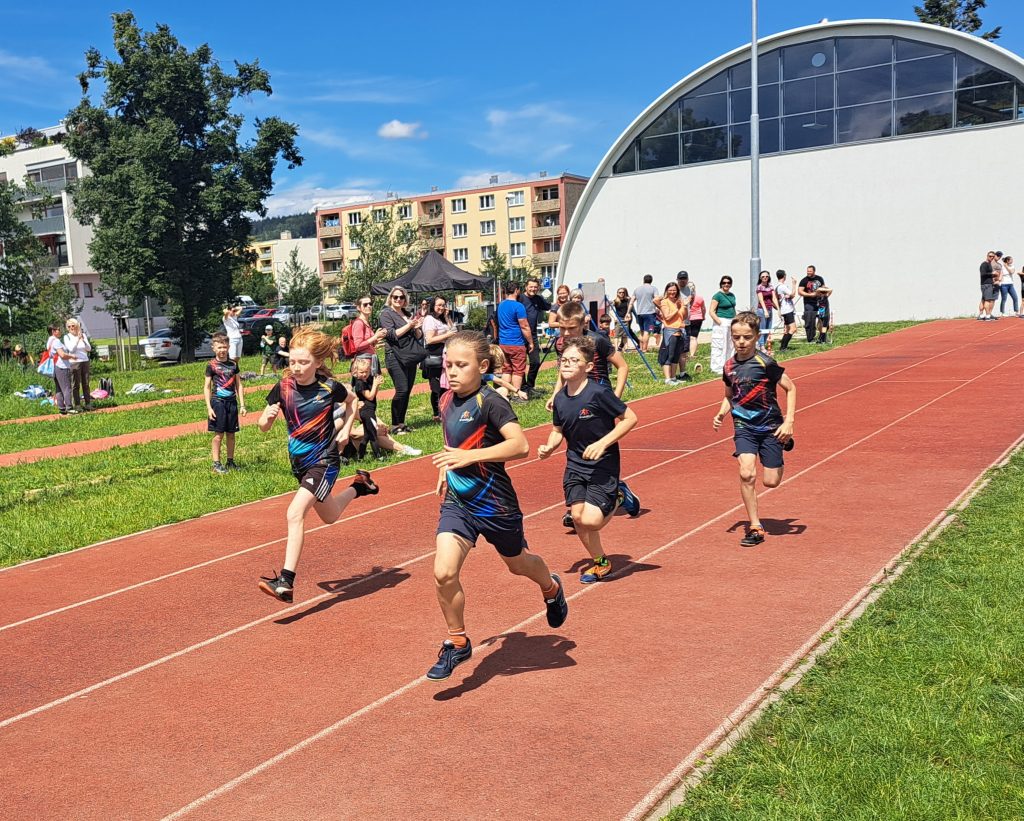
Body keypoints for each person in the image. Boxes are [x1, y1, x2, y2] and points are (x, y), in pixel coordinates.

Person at [426, 330, 568, 681]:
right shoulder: (445, 400)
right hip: (458, 503)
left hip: (495, 505)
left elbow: (519, 446)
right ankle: (457, 641)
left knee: (518, 564)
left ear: (483, 366)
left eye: (461, 365)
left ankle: (551, 588)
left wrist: (469, 457)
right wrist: (447, 467)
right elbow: (453, 443)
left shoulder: (491, 402)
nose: (452, 371)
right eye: (448, 365)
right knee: (444, 572)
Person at [257, 327, 380, 603]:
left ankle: (286, 581)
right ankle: (360, 486)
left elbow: (353, 402)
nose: (296, 368)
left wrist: (345, 429)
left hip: (324, 460)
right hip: (299, 463)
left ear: (318, 362)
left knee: (295, 513)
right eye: (292, 361)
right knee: (330, 515)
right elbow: (262, 426)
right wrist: (267, 418)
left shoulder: (329, 388)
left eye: (303, 362)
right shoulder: (283, 387)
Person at [538, 335, 640, 584]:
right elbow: (557, 431)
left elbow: (630, 418)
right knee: (577, 518)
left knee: (592, 521)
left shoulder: (599, 393)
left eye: (575, 360)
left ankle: (619, 495)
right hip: (575, 464)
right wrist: (549, 447)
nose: (567, 364)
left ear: (589, 367)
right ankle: (601, 563)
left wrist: (602, 443)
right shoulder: (560, 398)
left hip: (603, 464)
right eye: (564, 360)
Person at [713, 311, 797, 547]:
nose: (741, 342)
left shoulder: (766, 363)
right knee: (746, 473)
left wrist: (789, 421)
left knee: (771, 481)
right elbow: (729, 396)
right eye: (736, 337)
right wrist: (721, 413)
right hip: (744, 426)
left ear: (757, 337)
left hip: (770, 426)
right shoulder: (729, 366)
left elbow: (791, 388)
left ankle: (783, 442)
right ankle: (755, 526)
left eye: (747, 337)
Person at [348, 357, 422, 460]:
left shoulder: (353, 400)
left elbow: (365, 405)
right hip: (350, 443)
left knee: (374, 430)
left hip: (368, 411)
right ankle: (381, 455)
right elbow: (352, 433)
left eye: (367, 371)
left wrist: (377, 384)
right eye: (362, 372)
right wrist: (376, 430)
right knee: (373, 434)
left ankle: (397, 448)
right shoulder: (359, 384)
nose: (365, 374)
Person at [379, 286, 423, 434]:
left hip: (409, 355)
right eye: (395, 297)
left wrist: (417, 328)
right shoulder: (386, 314)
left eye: (401, 297)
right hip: (394, 355)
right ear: (390, 298)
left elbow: (417, 336)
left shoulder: (407, 314)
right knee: (402, 389)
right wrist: (409, 325)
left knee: (407, 390)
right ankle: (394, 425)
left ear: (405, 299)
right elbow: (392, 335)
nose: (398, 299)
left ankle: (402, 423)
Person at [205, 332, 247, 474]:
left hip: (232, 403)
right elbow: (207, 387)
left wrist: (242, 405)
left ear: (228, 347)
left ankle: (230, 461)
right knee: (218, 434)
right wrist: (209, 407)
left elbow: (239, 385)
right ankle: (216, 463)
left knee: (231, 433)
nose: (222, 350)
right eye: (219, 347)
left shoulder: (233, 364)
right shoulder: (211, 365)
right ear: (214, 348)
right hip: (218, 402)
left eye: (224, 347)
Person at [423, 296, 457, 421]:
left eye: (443, 305)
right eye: (439, 305)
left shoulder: (441, 319)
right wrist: (447, 335)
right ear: (433, 306)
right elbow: (429, 339)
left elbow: (454, 330)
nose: (441, 308)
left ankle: (445, 411)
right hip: (434, 355)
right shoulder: (429, 319)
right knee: (436, 387)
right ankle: (437, 413)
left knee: (445, 385)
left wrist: (447, 317)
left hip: (445, 354)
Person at [496, 281, 533, 397]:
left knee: (506, 369)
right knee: (518, 369)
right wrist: (531, 342)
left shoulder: (501, 305)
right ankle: (517, 394)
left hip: (503, 343)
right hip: (516, 343)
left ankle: (505, 393)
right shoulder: (518, 306)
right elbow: (524, 326)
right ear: (517, 290)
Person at [520, 277, 550, 393]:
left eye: (535, 287)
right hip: (520, 335)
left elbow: (550, 307)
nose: (533, 289)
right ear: (526, 287)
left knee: (536, 362)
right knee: (521, 364)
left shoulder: (538, 299)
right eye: (531, 287)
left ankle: (530, 386)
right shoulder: (520, 298)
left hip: (532, 336)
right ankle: (523, 387)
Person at [655, 281, 689, 384]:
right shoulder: (665, 302)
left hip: (679, 331)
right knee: (668, 356)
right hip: (670, 331)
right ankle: (668, 379)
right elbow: (667, 317)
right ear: (666, 291)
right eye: (670, 290)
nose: (672, 292)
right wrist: (677, 309)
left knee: (676, 356)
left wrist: (684, 306)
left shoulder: (678, 301)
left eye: (674, 290)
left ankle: (673, 377)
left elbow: (684, 316)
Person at [349, 295, 387, 374]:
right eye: (365, 304)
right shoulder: (359, 323)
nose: (369, 306)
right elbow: (358, 346)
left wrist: (376, 339)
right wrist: (375, 336)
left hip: (369, 360)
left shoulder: (366, 322)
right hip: (363, 364)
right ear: (358, 308)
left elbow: (368, 343)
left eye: (370, 304)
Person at [709, 277, 737, 374]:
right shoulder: (717, 296)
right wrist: (720, 322)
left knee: (731, 345)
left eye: (728, 283)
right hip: (721, 321)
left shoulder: (732, 295)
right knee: (720, 344)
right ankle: (717, 367)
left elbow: (733, 308)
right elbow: (711, 311)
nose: (726, 284)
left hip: (731, 321)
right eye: (724, 282)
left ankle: (729, 365)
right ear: (721, 284)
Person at [64, 318, 93, 410]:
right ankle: (77, 404)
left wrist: (83, 340)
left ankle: (88, 403)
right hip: (74, 362)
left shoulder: (83, 335)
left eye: (73, 326)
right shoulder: (67, 337)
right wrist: (77, 340)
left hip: (85, 361)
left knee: (86, 383)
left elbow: (89, 349)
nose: (71, 328)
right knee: (76, 384)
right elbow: (71, 349)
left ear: (77, 326)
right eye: (69, 326)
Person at [47, 324, 76, 415]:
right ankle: (69, 407)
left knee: (59, 388)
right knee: (67, 387)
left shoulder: (49, 341)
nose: (60, 331)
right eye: (58, 329)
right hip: (62, 367)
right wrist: (72, 356)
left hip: (55, 367)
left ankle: (62, 409)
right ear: (53, 331)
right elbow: (62, 355)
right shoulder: (56, 341)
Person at [797, 265, 832, 342]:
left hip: (820, 303)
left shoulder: (819, 278)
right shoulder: (804, 280)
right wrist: (810, 295)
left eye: (810, 271)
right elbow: (800, 291)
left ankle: (822, 337)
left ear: (814, 271)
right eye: (807, 271)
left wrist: (825, 296)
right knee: (810, 321)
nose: (808, 272)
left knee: (822, 319)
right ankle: (811, 338)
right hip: (809, 304)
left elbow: (824, 289)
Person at [775, 270, 798, 351]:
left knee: (788, 329)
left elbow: (789, 296)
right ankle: (783, 347)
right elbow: (793, 294)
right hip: (787, 310)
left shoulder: (778, 286)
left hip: (784, 310)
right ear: (784, 276)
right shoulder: (782, 286)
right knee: (793, 329)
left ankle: (783, 346)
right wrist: (794, 284)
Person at [755, 271, 777, 352]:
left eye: (766, 276)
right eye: (763, 276)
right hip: (762, 310)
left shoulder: (770, 286)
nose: (765, 278)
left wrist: (778, 309)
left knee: (768, 328)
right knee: (762, 328)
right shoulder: (759, 287)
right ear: (760, 278)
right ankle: (761, 346)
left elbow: (774, 298)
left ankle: (762, 345)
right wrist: (765, 311)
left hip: (770, 308)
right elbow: (761, 300)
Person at [612, 287, 639, 351]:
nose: (621, 293)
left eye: (623, 292)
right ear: (617, 293)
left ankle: (625, 348)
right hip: (619, 319)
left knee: (625, 334)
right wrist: (614, 317)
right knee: (617, 334)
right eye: (620, 292)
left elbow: (632, 309)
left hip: (626, 319)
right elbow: (610, 309)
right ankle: (617, 349)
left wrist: (636, 317)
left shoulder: (627, 300)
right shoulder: (615, 301)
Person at [687, 281, 705, 372]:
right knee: (694, 337)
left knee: (687, 337)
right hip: (698, 318)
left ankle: (686, 353)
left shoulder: (685, 298)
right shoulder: (699, 298)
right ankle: (692, 354)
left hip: (688, 318)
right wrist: (703, 316)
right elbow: (703, 308)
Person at [978, 251, 997, 321]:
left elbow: (987, 274)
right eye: (990, 256)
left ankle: (981, 315)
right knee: (988, 300)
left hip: (986, 284)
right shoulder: (984, 264)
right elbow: (983, 274)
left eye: (993, 257)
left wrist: (993, 276)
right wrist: (992, 274)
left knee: (983, 300)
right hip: (986, 285)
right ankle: (988, 316)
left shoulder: (988, 264)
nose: (991, 257)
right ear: (987, 256)